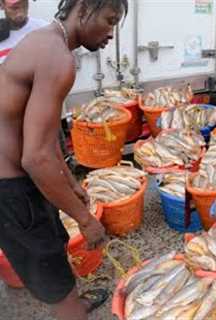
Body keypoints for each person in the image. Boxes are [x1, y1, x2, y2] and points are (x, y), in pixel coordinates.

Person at [0, 0, 128, 319]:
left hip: (19, 181)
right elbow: (35, 157)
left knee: (55, 255)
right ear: (83, 9)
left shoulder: (44, 40)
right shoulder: (57, 58)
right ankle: (71, 309)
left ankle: (72, 303)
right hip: (12, 189)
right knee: (53, 278)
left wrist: (70, 184)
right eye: (109, 20)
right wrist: (86, 221)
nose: (111, 33)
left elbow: (42, 134)